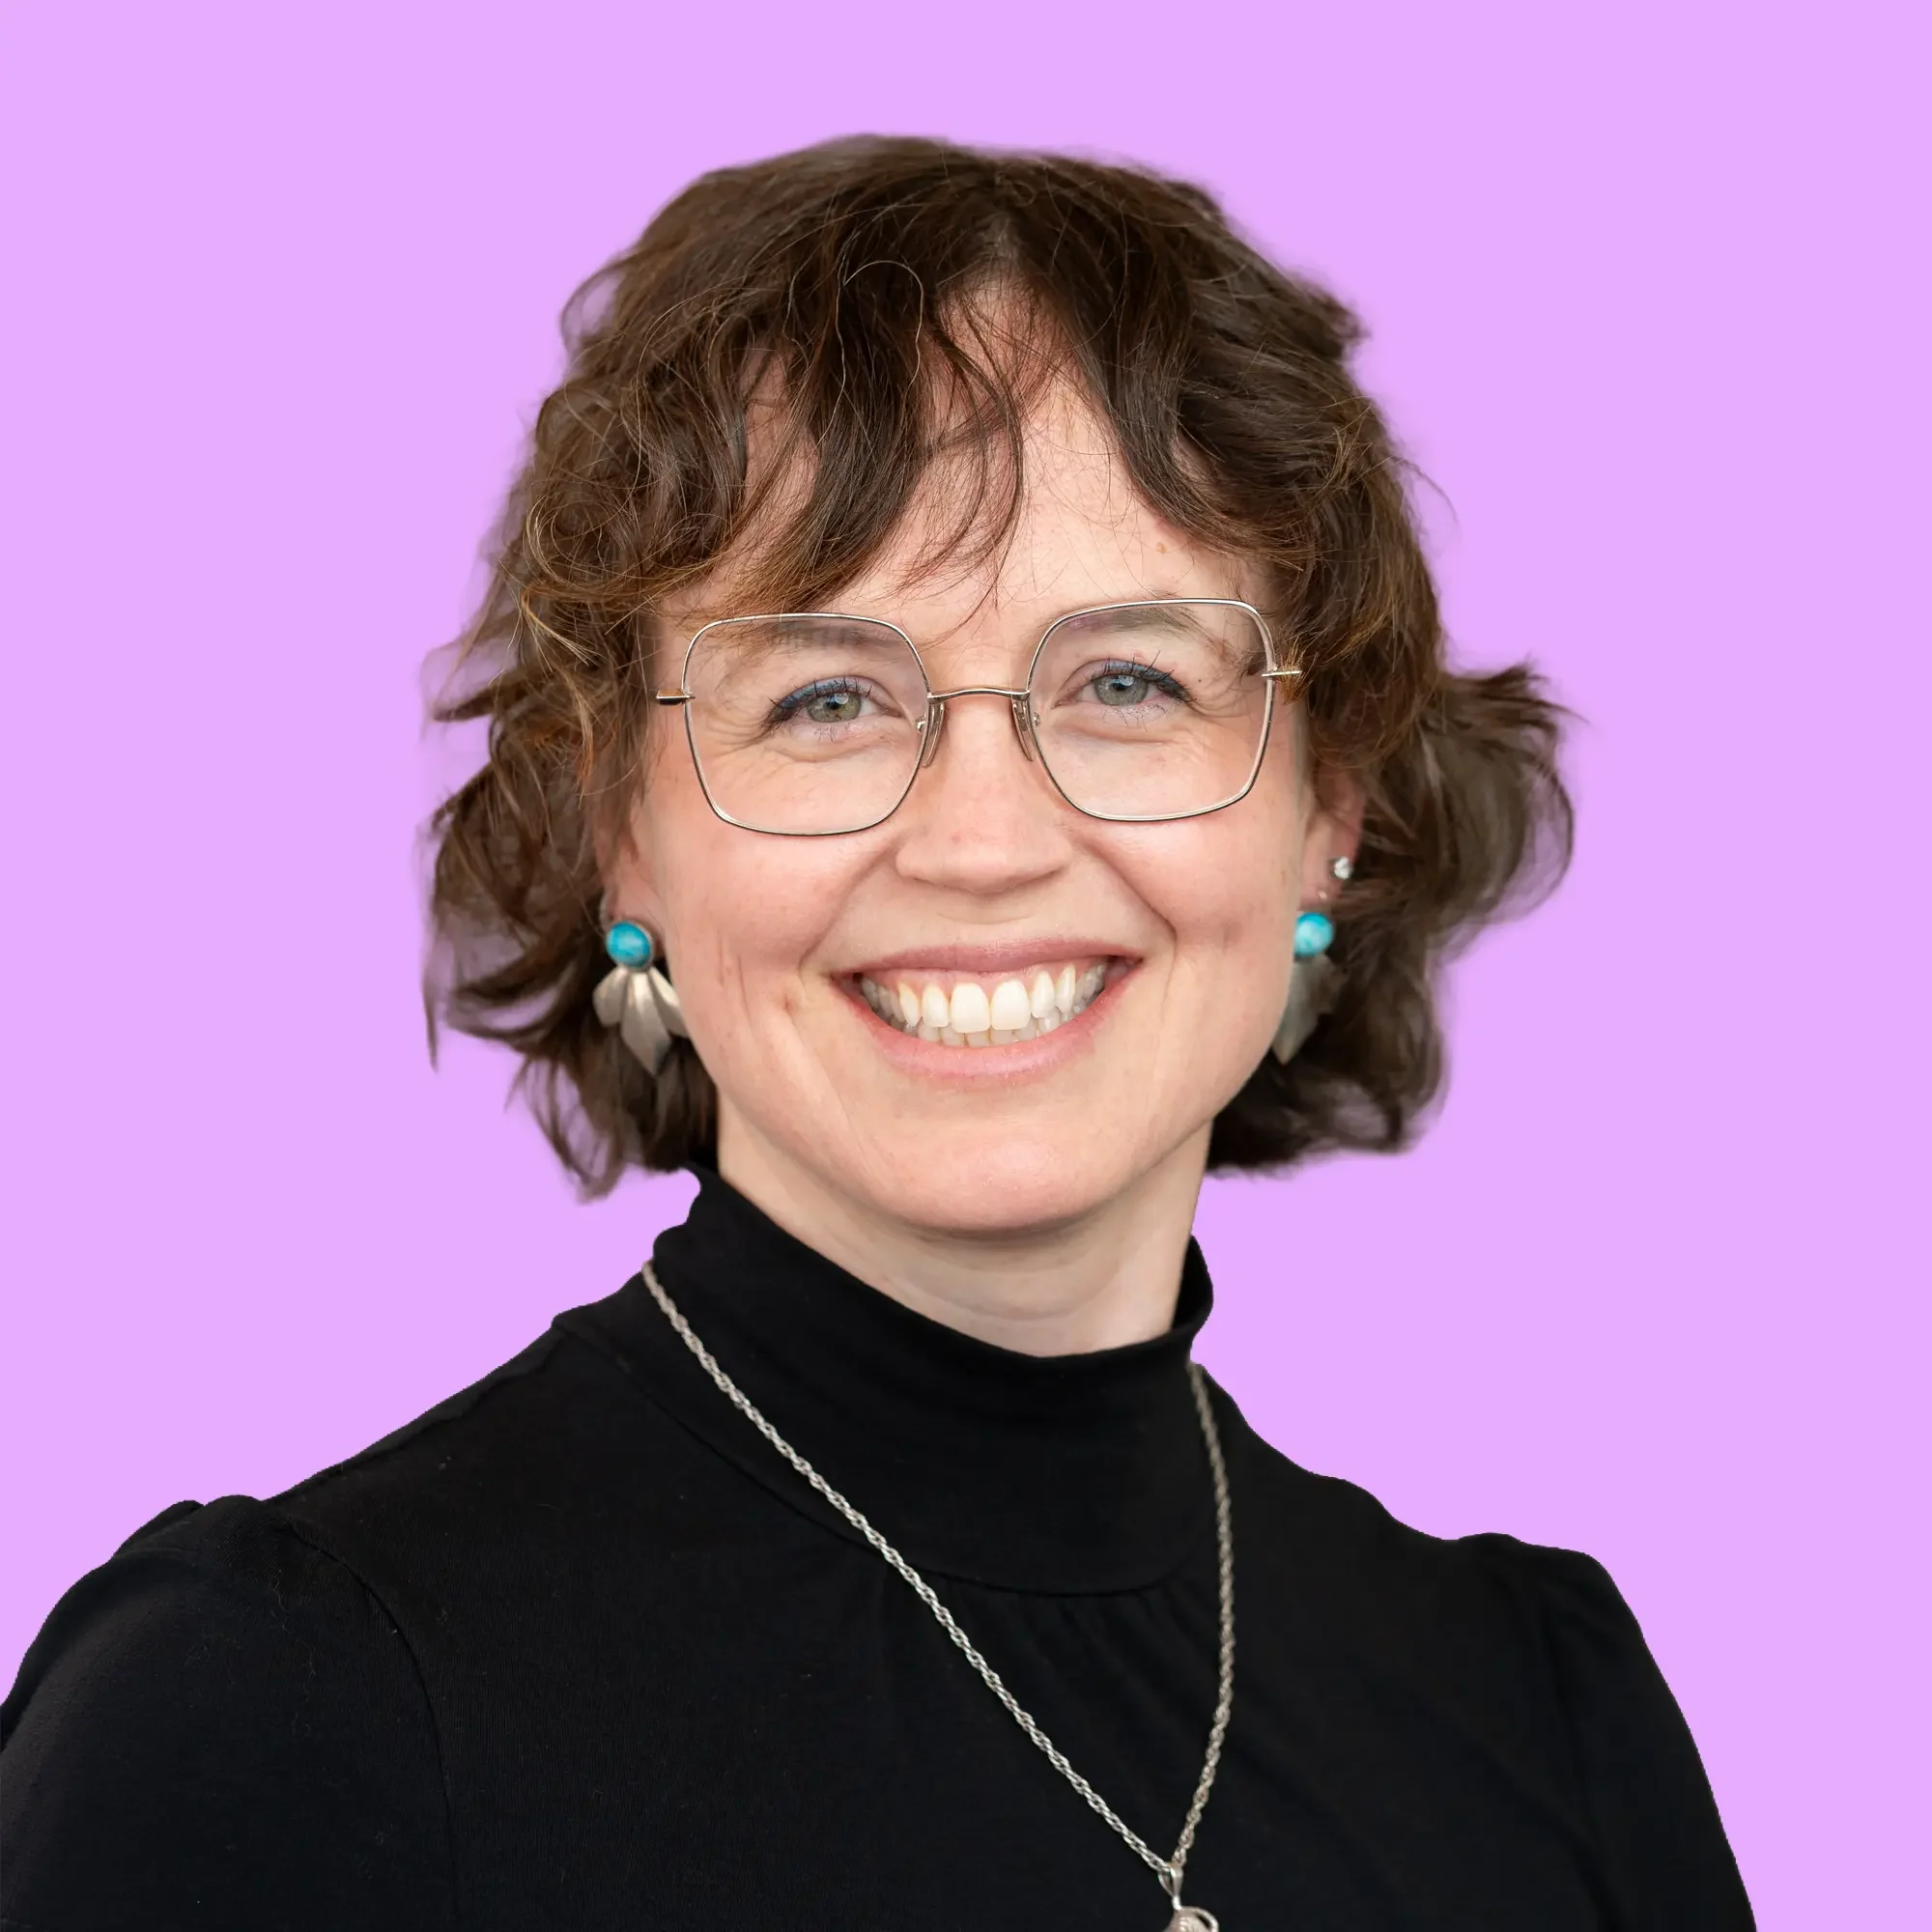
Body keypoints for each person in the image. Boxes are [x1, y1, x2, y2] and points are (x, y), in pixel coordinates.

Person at [0, 137, 1754, 1929]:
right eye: (827, 696)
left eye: (1130, 680)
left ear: (1332, 807)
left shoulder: (1545, 1714)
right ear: (622, 834)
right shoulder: (278, 1705)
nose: (983, 841)